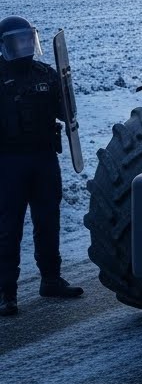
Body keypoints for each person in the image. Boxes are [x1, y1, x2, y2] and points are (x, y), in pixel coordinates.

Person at [1, 16, 83, 317]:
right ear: (5, 45)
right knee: (8, 228)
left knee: (48, 221)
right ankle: (5, 293)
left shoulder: (46, 74)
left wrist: (66, 93)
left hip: (45, 159)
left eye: (27, 39)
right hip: (8, 163)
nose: (24, 45)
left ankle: (51, 279)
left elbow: (66, 113)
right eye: (17, 41)